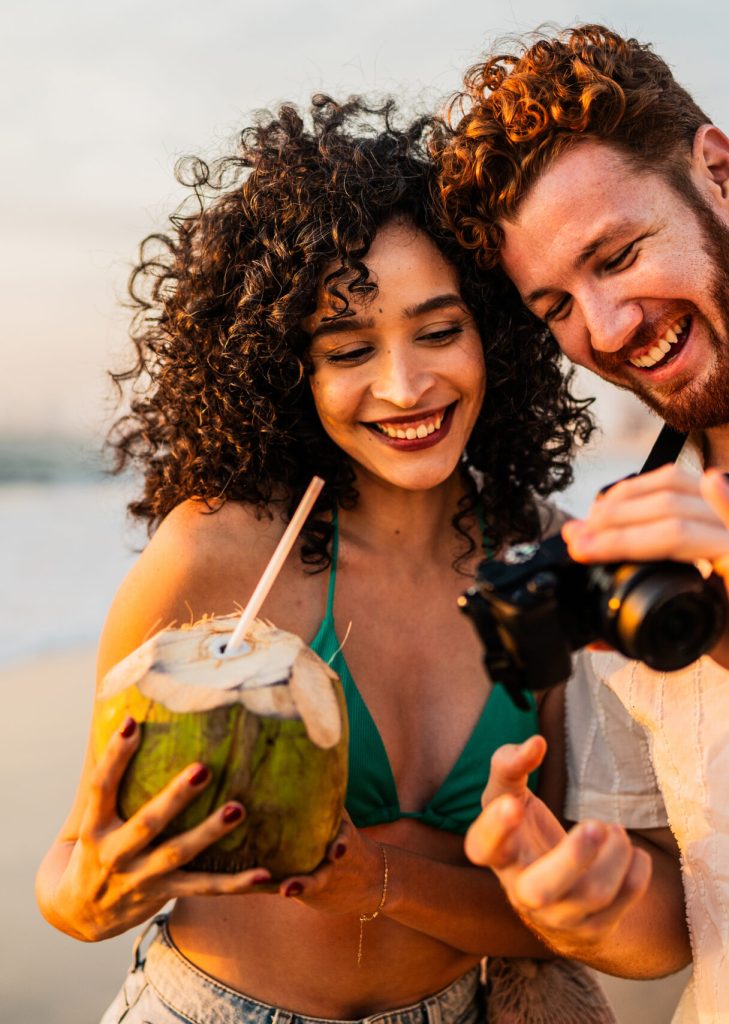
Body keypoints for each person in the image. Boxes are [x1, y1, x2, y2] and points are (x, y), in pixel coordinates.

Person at [35, 95, 596, 1024]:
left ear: (494, 334)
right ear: (285, 369)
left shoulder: (547, 562)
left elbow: (566, 918)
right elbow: (70, 877)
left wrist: (376, 880)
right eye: (347, 348)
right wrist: (91, 893)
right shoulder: (214, 555)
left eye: (439, 330)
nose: (404, 385)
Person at [440, 23, 729, 1023]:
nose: (605, 331)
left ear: (720, 175)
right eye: (558, 302)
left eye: (619, 254)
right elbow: (678, 920)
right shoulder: (627, 545)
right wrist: (573, 894)